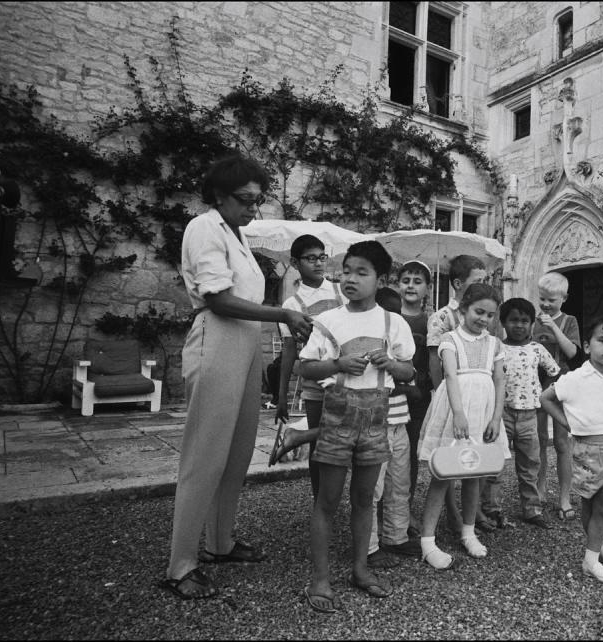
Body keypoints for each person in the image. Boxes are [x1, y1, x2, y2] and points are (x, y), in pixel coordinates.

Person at [160, 154, 312, 601]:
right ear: (219, 196)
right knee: (205, 453)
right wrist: (283, 312)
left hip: (247, 341)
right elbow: (220, 299)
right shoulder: (203, 227)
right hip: (219, 335)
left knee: (238, 451)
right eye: (245, 200)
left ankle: (219, 543)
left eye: (257, 200)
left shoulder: (236, 236)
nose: (252, 208)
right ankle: (180, 564)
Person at [298, 240, 414, 612]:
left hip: (377, 416)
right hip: (338, 415)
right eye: (347, 271)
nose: (350, 278)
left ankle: (360, 569)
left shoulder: (392, 322)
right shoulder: (329, 320)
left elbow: (410, 372)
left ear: (380, 279)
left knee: (365, 498)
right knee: (327, 500)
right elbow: (305, 367)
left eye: (361, 272)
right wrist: (337, 365)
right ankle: (320, 578)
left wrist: (391, 364)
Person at [540, 316, 603, 584]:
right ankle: (595, 556)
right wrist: (568, 422)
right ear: (587, 345)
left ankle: (595, 555)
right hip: (588, 451)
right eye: (602, 340)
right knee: (591, 504)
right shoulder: (575, 378)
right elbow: (546, 398)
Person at [417, 283, 509, 569]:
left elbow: (500, 380)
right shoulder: (449, 339)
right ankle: (427, 540)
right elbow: (451, 376)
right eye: (478, 312)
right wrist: (458, 413)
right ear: (464, 308)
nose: (483, 319)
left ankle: (468, 531)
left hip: (483, 411)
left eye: (490, 315)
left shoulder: (494, 343)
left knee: (475, 473)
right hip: (456, 409)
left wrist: (496, 417)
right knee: (442, 473)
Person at [269, 235, 346, 499]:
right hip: (313, 379)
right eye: (310, 258)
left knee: (349, 434)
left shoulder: (340, 292)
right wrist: (281, 396)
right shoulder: (291, 305)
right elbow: (289, 351)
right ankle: (320, 500)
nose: (318, 263)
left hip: (345, 374)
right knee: (319, 444)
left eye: (322, 257)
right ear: (295, 262)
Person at [426, 254, 497, 533]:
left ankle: (473, 511)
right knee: (448, 458)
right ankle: (453, 514)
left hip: (477, 396)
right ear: (458, 283)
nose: (483, 285)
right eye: (477, 281)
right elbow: (435, 359)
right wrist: (437, 392)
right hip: (452, 393)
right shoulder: (443, 316)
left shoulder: (484, 310)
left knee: (474, 456)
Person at [482, 298, 560, 529]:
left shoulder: (537, 349)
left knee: (530, 465)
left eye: (525, 321)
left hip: (529, 417)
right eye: (514, 320)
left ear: (532, 324)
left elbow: (553, 371)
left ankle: (532, 509)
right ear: (503, 322)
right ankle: (491, 509)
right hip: (501, 414)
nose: (519, 325)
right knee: (495, 464)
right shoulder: (496, 347)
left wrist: (542, 392)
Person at [366, 287, 422, 568]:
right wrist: (398, 382)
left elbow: (412, 385)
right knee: (371, 489)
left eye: (396, 312)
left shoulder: (400, 349)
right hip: (374, 425)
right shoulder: (365, 344)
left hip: (399, 423)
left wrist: (395, 377)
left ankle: (396, 536)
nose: (392, 317)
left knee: (399, 484)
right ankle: (369, 546)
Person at [532, 271, 581, 520]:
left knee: (562, 443)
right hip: (537, 387)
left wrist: (554, 327)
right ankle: (539, 490)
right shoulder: (533, 322)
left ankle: (564, 496)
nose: (546, 304)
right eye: (542, 298)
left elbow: (572, 353)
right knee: (539, 440)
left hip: (561, 387)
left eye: (551, 299)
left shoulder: (569, 321)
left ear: (564, 298)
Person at [396, 260, 433, 533]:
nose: (411, 285)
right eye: (406, 279)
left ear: (427, 289)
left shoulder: (431, 321)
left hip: (419, 396)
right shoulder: (390, 317)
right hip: (393, 393)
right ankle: (386, 507)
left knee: (409, 452)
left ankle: (405, 509)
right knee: (388, 453)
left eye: (417, 281)